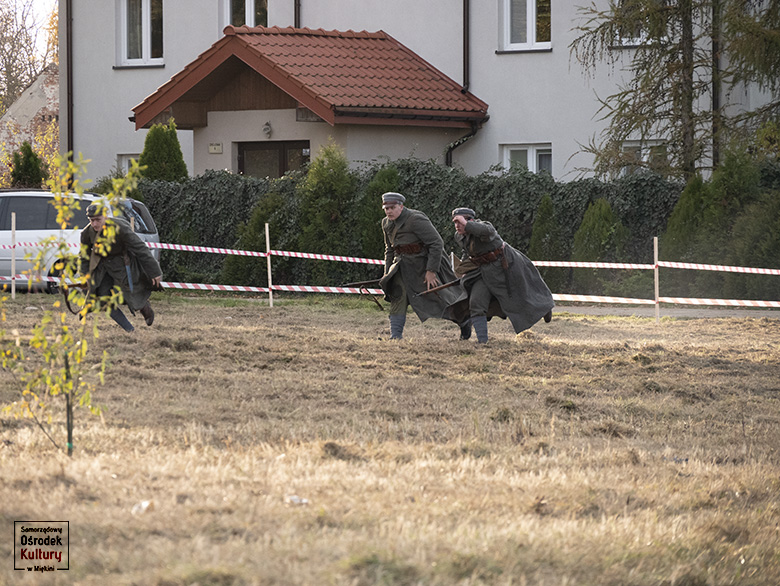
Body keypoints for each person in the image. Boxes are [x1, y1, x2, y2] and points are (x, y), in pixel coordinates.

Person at [452, 207, 553, 344]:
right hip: (483, 272)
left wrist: (467, 225)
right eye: (455, 222)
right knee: (476, 303)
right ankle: (482, 342)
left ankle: (544, 308)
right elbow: (468, 252)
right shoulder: (459, 236)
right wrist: (465, 268)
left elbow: (487, 232)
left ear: (470, 220)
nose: (457, 226)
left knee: (522, 296)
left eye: (460, 222)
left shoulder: (484, 227)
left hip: (506, 268)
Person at [378, 192, 470, 340]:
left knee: (439, 299)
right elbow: (389, 250)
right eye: (386, 208)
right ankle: (395, 337)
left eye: (392, 207)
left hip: (423, 266)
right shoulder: (386, 223)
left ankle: (464, 321)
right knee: (398, 295)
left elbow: (436, 243)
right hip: (402, 267)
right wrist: (387, 273)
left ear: (401, 207)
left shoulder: (415, 219)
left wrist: (431, 271)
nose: (388, 211)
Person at [80, 203, 163, 332]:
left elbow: (140, 249)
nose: (95, 224)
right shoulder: (87, 233)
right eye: (92, 220)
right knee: (103, 299)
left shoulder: (120, 227)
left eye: (98, 220)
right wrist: (85, 276)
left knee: (130, 297)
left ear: (105, 216)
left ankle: (144, 307)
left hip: (124, 266)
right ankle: (129, 329)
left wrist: (154, 271)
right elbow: (84, 256)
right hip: (102, 268)